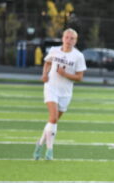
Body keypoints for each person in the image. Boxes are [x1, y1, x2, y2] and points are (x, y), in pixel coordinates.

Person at [33, 28, 86, 160]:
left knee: (53, 121)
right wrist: (44, 74)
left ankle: (39, 144)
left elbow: (79, 77)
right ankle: (50, 151)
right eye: (67, 37)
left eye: (72, 38)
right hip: (51, 87)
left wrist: (65, 74)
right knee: (53, 117)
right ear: (62, 38)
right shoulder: (54, 50)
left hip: (66, 93)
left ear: (75, 41)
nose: (69, 40)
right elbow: (47, 62)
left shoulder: (78, 56)